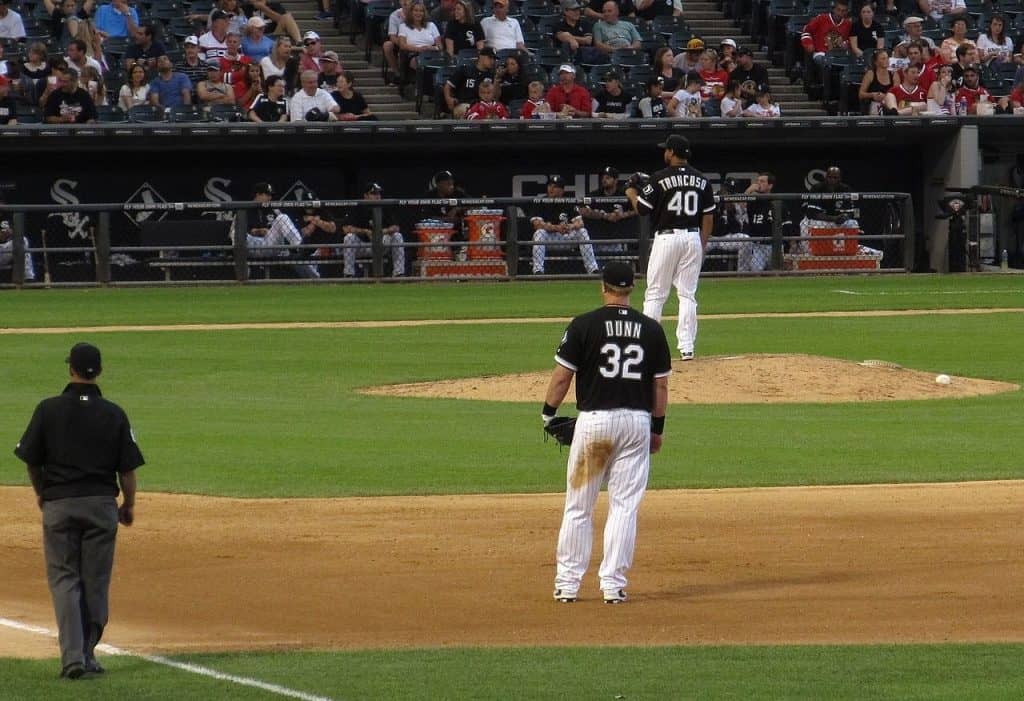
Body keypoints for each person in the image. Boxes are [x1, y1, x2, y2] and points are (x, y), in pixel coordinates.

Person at [544, 261, 671, 605]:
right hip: (635, 426)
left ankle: (567, 585)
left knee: (579, 507)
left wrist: (548, 415)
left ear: (604, 287)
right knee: (624, 507)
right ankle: (613, 585)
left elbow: (560, 379)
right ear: (632, 288)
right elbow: (660, 387)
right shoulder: (651, 329)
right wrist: (657, 430)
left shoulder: (584, 325)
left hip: (596, 427)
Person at [14, 342, 143, 679]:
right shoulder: (114, 413)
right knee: (95, 581)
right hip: (101, 507)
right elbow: (127, 471)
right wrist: (127, 506)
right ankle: (88, 652)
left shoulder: (48, 409)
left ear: (70, 368)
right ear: (98, 371)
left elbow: (31, 460)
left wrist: (43, 494)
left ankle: (73, 657)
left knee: (65, 579)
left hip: (59, 506)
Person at [625, 134, 715, 360]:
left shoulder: (658, 178)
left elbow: (643, 210)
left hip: (667, 238)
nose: (664, 152)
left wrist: (631, 193)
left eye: (666, 149)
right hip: (693, 238)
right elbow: (708, 217)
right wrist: (701, 246)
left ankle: (647, 347)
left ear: (672, 152)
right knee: (687, 294)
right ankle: (687, 347)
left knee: (655, 294)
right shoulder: (702, 179)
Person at [238, 181, 320, 278]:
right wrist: (259, 231)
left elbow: (283, 229)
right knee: (236, 230)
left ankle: (300, 248)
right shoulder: (245, 209)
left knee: (283, 218)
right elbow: (242, 233)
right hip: (253, 246)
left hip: (271, 244)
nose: (270, 198)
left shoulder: (274, 209)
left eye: (271, 195)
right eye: (267, 195)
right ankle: (241, 268)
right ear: (258, 195)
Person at [531, 174, 599, 275]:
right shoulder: (540, 201)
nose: (551, 189)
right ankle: (538, 270)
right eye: (550, 186)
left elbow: (580, 223)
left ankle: (593, 269)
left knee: (583, 231)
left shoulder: (568, 202)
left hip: (566, 237)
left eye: (555, 187)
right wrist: (556, 227)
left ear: (562, 190)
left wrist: (571, 226)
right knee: (539, 233)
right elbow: (536, 224)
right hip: (550, 239)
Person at [341, 181, 406, 277]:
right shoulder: (358, 207)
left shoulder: (385, 207)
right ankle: (349, 274)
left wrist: (383, 231)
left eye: (378, 193)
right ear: (365, 196)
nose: (377, 196)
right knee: (348, 237)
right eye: (374, 193)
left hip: (381, 244)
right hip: (362, 246)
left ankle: (399, 273)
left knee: (397, 236)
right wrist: (365, 231)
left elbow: (396, 227)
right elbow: (345, 228)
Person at [797, 165, 859, 255]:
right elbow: (813, 214)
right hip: (819, 221)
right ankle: (811, 253)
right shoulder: (817, 188)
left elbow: (853, 212)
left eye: (835, 178)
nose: (832, 180)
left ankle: (849, 252)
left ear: (840, 178)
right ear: (826, 177)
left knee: (853, 223)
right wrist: (834, 218)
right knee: (812, 224)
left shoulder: (846, 189)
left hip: (838, 222)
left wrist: (845, 217)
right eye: (830, 177)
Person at [580, 165, 636, 256]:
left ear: (616, 180)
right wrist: (604, 215)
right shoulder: (596, 194)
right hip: (597, 239)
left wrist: (623, 215)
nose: (604, 180)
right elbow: (582, 209)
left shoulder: (623, 194)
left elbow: (637, 210)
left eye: (608, 178)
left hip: (618, 240)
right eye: (603, 178)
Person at [799, 0, 851, 86]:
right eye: (838, 10)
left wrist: (846, 44)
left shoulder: (848, 24)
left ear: (846, 12)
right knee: (826, 63)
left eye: (843, 11)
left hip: (839, 55)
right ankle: (825, 93)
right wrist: (808, 43)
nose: (840, 13)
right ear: (834, 9)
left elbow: (850, 41)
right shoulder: (821, 18)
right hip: (821, 53)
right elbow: (806, 30)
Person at [444, 45, 495, 118]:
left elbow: (494, 96)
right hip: (463, 104)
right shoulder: (465, 69)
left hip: (482, 106)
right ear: (481, 56)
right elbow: (448, 86)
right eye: (490, 58)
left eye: (494, 59)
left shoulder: (491, 75)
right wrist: (448, 99)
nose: (492, 61)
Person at [397, 2, 442, 75]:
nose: (418, 13)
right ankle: (421, 85)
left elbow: (440, 46)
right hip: (413, 54)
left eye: (421, 11)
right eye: (416, 10)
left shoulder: (431, 25)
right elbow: (402, 45)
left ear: (424, 13)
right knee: (418, 62)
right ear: (411, 12)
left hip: (431, 54)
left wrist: (432, 48)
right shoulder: (403, 26)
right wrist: (419, 49)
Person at [859, 48, 892, 115]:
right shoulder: (870, 74)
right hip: (875, 104)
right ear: (876, 62)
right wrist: (872, 94)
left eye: (887, 58)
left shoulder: (894, 74)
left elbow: (897, 93)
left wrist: (885, 96)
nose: (887, 60)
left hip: (890, 102)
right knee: (877, 106)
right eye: (883, 59)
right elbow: (861, 94)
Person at [0, 211, 34, 276]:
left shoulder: (9, 217)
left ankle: (28, 277)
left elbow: (17, 233)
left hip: (5, 249)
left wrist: (10, 234)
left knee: (23, 239)